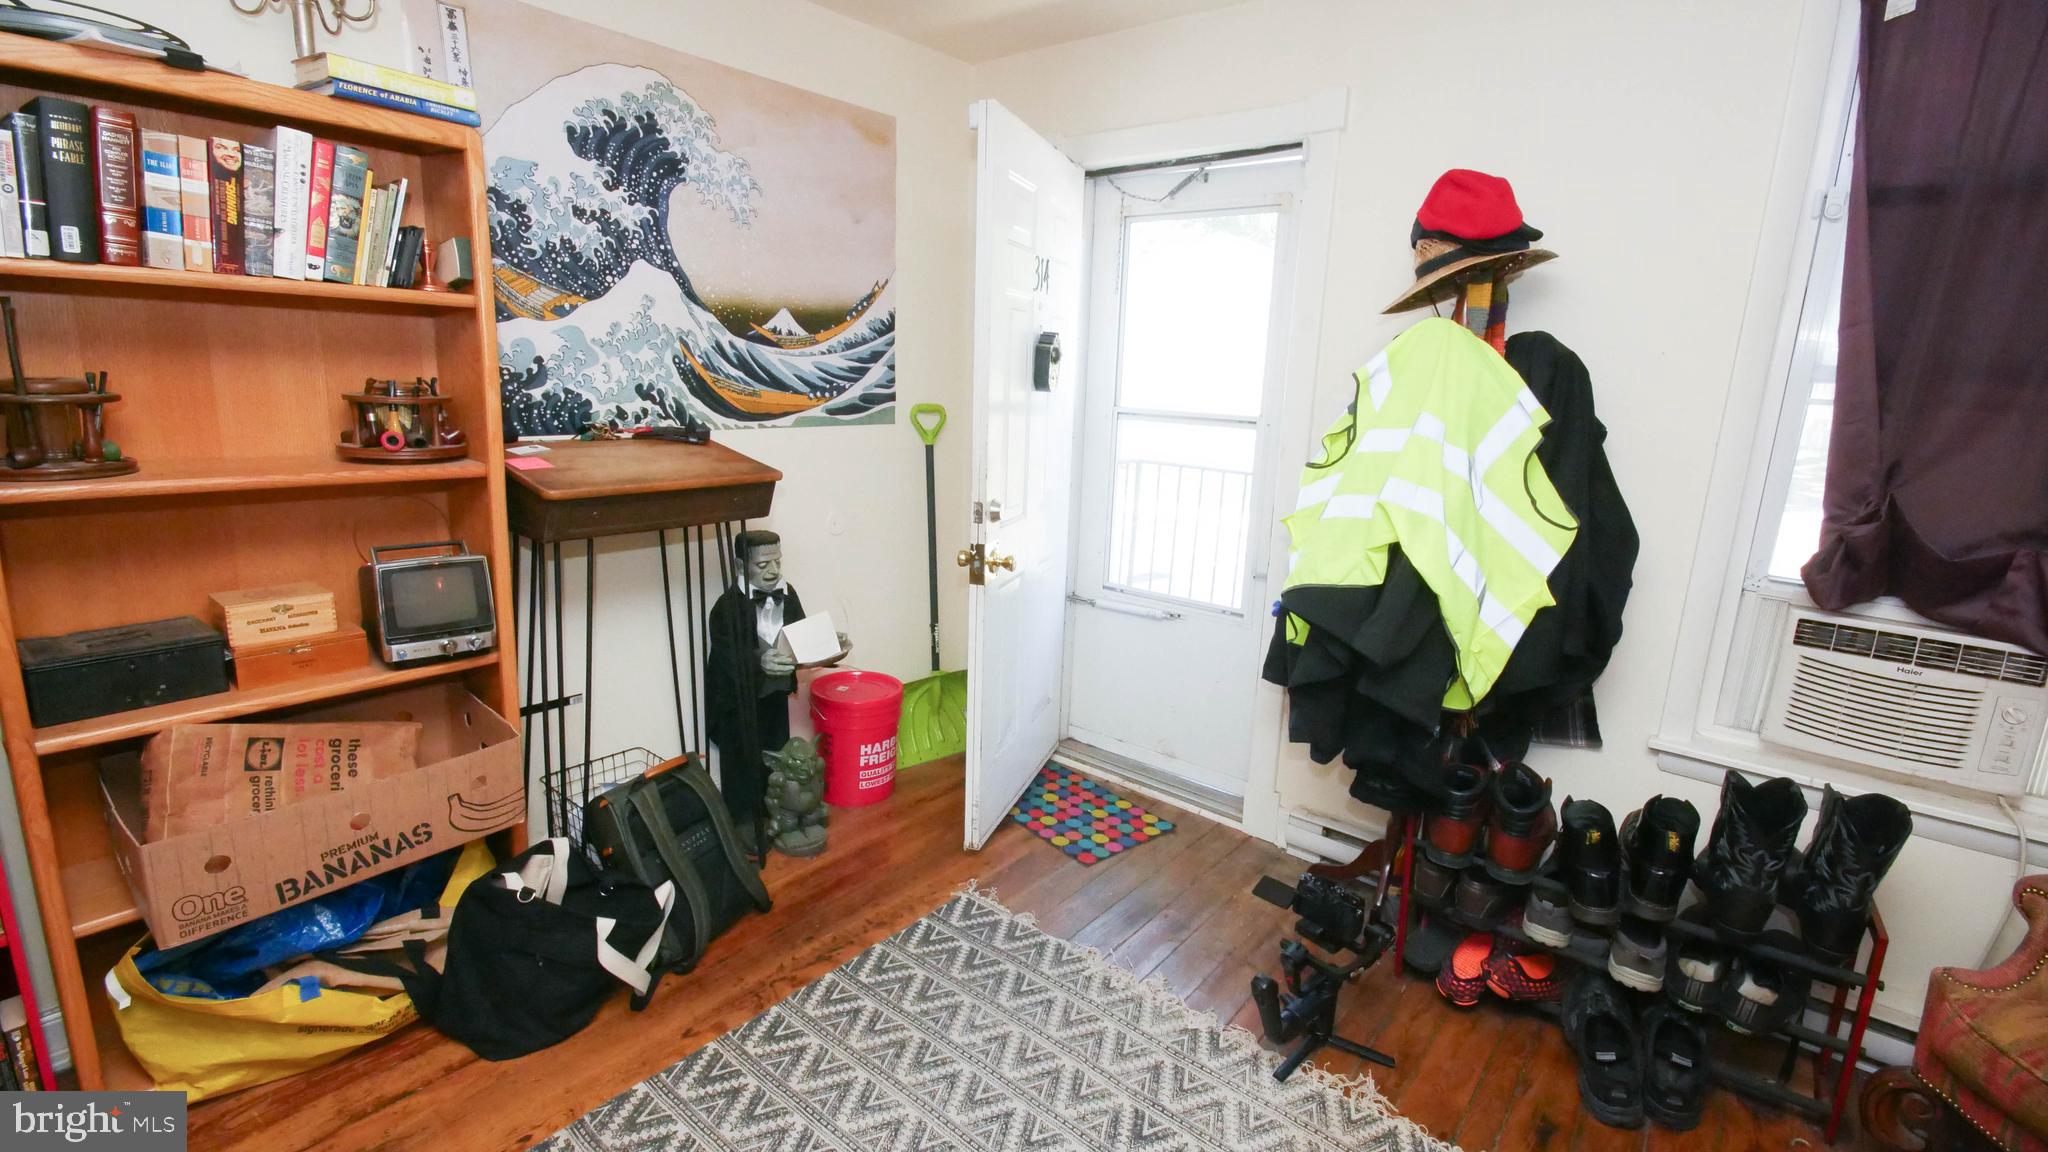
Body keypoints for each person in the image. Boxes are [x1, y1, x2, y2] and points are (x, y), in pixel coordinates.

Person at [705, 530, 845, 853]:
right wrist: (759, 660)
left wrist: (827, 644)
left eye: (777, 562)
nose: (772, 571)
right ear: (741, 565)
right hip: (737, 699)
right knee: (741, 758)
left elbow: (801, 633)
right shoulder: (724, 609)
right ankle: (743, 819)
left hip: (775, 693)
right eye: (763, 564)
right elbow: (729, 654)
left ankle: (777, 810)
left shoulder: (788, 593)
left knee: (776, 750)